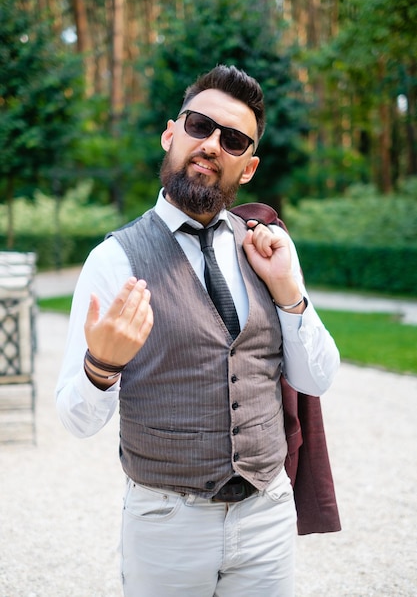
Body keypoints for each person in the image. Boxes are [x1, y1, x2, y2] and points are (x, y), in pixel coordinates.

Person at [56, 64, 340, 597]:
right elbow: (75, 419)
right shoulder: (113, 260)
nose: (211, 144)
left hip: (267, 515)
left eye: (232, 140)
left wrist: (289, 293)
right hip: (167, 522)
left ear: (248, 167)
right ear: (171, 134)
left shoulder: (266, 246)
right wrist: (102, 366)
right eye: (198, 126)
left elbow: (318, 379)